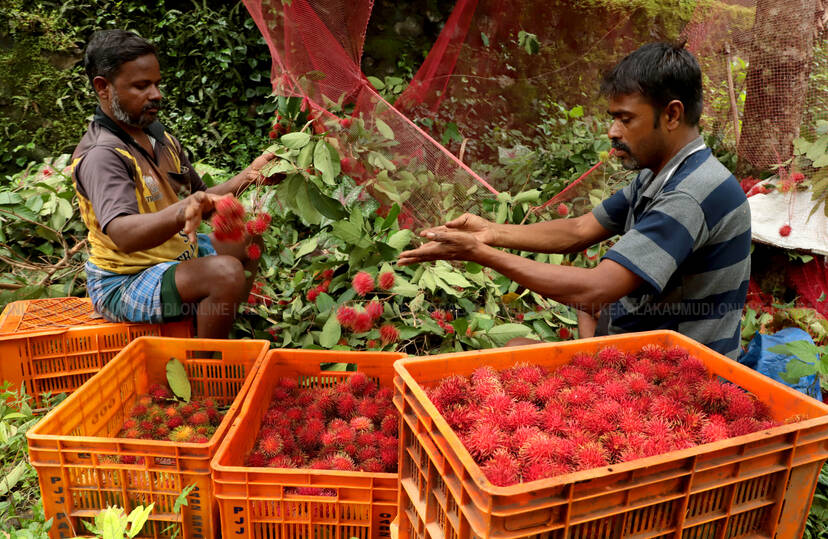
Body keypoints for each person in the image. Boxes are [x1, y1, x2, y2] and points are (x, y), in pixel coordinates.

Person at [399, 42, 751, 359]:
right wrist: (490, 232)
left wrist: (479, 254)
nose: (612, 131)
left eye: (625, 119)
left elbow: (596, 289)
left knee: (515, 356)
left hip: (677, 380)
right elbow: (578, 229)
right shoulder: (658, 173)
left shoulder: (689, 194)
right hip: (638, 344)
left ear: (672, 115)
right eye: (613, 118)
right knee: (535, 342)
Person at [72, 29, 278, 338]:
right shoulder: (103, 155)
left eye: (156, 84)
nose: (156, 94)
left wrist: (253, 174)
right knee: (225, 274)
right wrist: (184, 209)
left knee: (248, 239)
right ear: (103, 87)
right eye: (141, 86)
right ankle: (207, 366)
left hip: (175, 258)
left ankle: (215, 320)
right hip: (124, 280)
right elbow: (123, 234)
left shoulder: (158, 136)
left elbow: (201, 199)